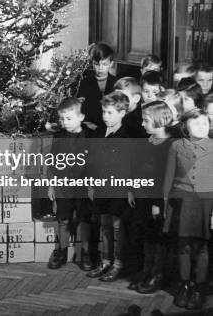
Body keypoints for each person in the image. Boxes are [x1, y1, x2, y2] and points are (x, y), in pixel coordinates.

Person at [163, 109, 213, 310]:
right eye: (196, 123)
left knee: (201, 247)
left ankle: (199, 287)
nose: (202, 126)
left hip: (206, 202)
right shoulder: (176, 146)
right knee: (183, 245)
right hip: (181, 201)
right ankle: (184, 285)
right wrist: (165, 206)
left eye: (205, 122)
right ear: (185, 127)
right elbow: (168, 177)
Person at [127, 101, 173, 294]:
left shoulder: (170, 146)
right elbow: (136, 168)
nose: (142, 124)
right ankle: (147, 271)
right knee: (146, 236)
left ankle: (157, 274)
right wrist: (131, 188)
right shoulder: (147, 142)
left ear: (160, 120)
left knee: (158, 238)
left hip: (159, 202)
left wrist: (157, 204)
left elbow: (164, 178)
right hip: (142, 198)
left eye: (146, 120)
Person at [86, 90, 132, 282]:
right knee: (104, 225)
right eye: (104, 112)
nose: (105, 116)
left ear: (122, 113)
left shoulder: (125, 137)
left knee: (116, 227)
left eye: (110, 113)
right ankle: (105, 261)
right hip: (101, 186)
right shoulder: (98, 133)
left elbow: (128, 167)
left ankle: (118, 264)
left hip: (118, 189)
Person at [46, 97, 94, 271]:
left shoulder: (89, 135)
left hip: (83, 186)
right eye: (62, 119)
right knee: (64, 219)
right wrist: (51, 185)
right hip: (63, 185)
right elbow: (52, 162)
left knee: (84, 219)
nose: (65, 122)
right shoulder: (59, 136)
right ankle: (61, 251)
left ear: (81, 117)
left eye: (69, 118)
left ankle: (86, 253)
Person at [76, 42, 117, 129]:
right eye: (96, 64)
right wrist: (86, 123)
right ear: (92, 63)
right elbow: (79, 108)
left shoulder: (116, 83)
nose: (100, 68)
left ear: (111, 64)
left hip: (111, 127)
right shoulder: (85, 82)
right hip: (90, 127)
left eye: (104, 64)